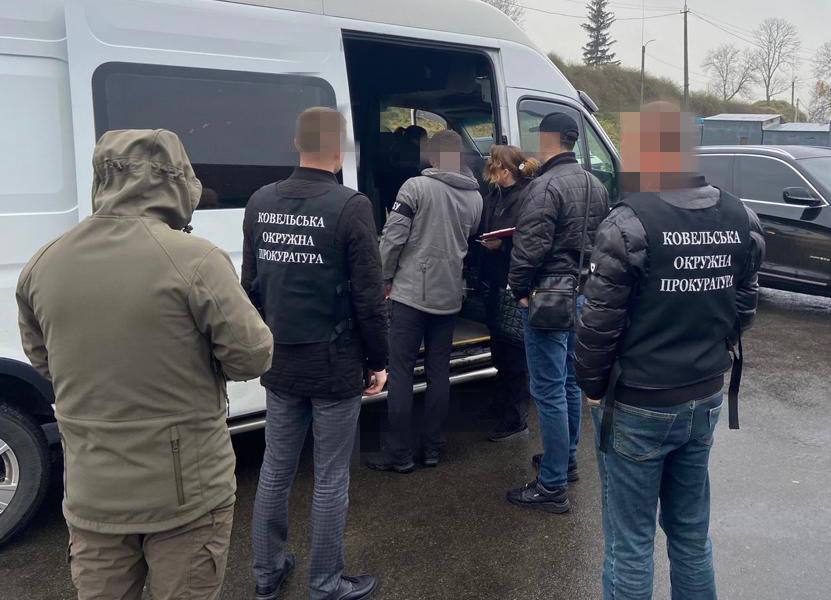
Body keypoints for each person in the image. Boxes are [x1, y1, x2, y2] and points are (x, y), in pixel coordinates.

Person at [16, 129, 274, 600]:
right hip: (185, 494)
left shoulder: (43, 263)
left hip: (92, 490)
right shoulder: (196, 260)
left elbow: (45, 362)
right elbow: (252, 356)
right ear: (177, 182)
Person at [575, 102, 765, 599]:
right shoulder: (740, 216)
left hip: (639, 402)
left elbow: (598, 322)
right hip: (704, 394)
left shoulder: (628, 222)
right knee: (690, 534)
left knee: (630, 544)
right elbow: (744, 307)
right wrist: (712, 348)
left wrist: (591, 385)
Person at [243, 107, 388, 600]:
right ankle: (325, 583)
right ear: (338, 147)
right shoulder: (351, 205)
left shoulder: (260, 201)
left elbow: (250, 286)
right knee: (330, 478)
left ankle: (267, 574)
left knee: (275, 469)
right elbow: (368, 297)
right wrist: (378, 360)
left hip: (280, 358)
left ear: (296, 142)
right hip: (334, 361)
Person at [507, 113, 609, 513]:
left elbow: (529, 246)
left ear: (547, 138)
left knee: (547, 390)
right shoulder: (595, 184)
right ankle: (564, 462)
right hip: (583, 293)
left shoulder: (544, 186)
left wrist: (519, 290)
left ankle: (551, 485)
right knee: (567, 383)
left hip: (548, 296)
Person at [369, 130, 483, 473]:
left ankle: (399, 454)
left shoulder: (414, 187)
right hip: (449, 295)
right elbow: (470, 236)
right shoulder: (475, 197)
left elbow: (393, 238)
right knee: (438, 373)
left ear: (433, 157)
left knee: (401, 372)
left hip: (410, 295)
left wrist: (383, 278)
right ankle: (433, 448)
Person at [479, 145, 539, 441]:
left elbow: (531, 241)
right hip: (495, 278)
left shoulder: (527, 196)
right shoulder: (495, 194)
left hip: (513, 280)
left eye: (495, 167)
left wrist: (503, 245)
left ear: (506, 169)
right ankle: (501, 403)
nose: (491, 173)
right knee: (499, 348)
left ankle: (516, 418)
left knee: (515, 352)